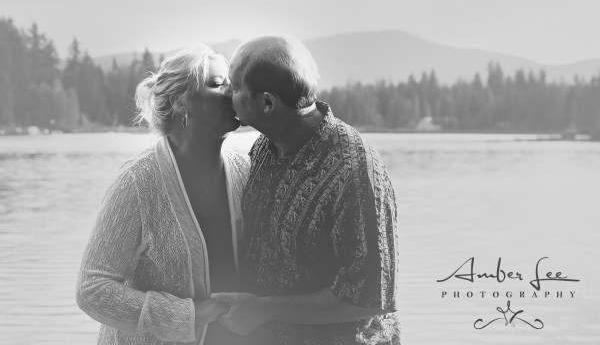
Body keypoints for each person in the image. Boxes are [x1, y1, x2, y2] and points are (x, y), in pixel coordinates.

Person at [214, 35, 400, 344]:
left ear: (267, 102)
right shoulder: (265, 145)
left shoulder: (354, 172)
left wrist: (264, 310)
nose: (225, 95)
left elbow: (370, 299)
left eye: (234, 88)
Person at [76, 44, 250, 345]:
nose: (231, 93)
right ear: (181, 102)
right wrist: (187, 314)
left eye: (231, 85)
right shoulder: (138, 183)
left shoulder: (246, 170)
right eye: (217, 84)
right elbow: (92, 289)